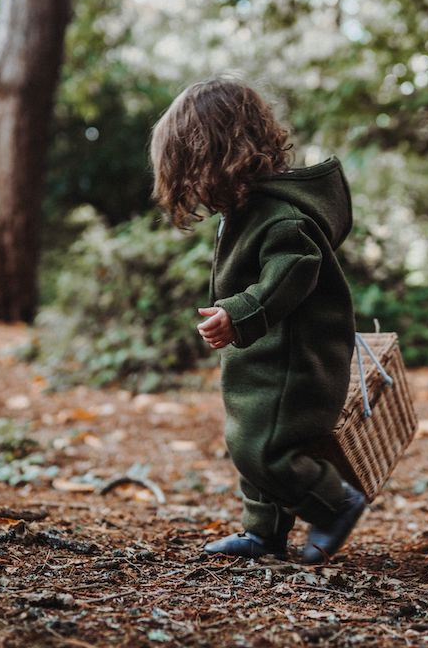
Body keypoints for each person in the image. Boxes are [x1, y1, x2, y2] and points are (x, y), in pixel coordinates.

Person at [149, 76, 366, 564]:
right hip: (262, 354)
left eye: (191, 171)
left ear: (218, 156)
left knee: (261, 446)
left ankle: (335, 504)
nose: (193, 188)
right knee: (251, 434)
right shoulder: (248, 209)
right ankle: (263, 533)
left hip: (295, 358)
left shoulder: (281, 215)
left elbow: (294, 269)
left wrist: (239, 311)